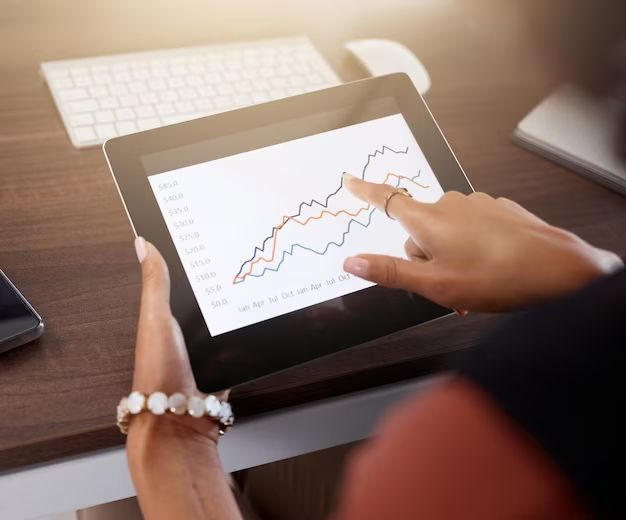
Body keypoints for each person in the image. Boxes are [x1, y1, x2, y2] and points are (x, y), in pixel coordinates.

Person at [124, 172, 623, 519]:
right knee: (278, 466)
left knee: (115, 505)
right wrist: (589, 278)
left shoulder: (473, 452)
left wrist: (175, 440)